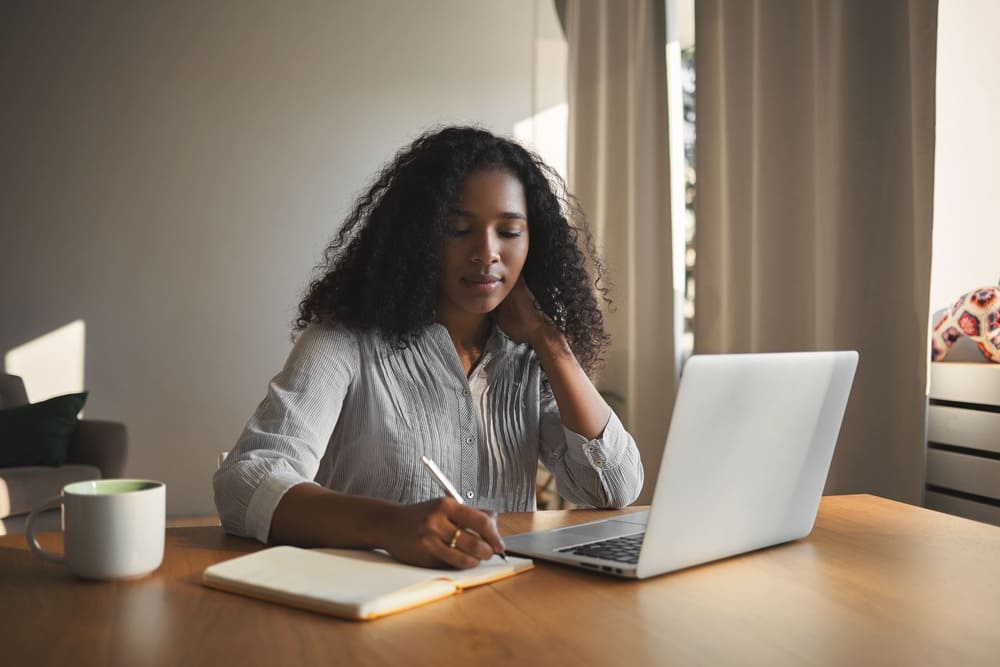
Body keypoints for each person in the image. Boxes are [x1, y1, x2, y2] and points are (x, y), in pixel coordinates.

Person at [213, 126, 643, 569]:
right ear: (419, 237)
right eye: (459, 229)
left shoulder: (529, 355)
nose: (487, 252)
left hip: (499, 599)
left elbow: (611, 488)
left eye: (510, 232)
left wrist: (550, 341)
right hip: (368, 604)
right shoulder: (345, 339)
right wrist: (388, 524)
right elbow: (246, 482)